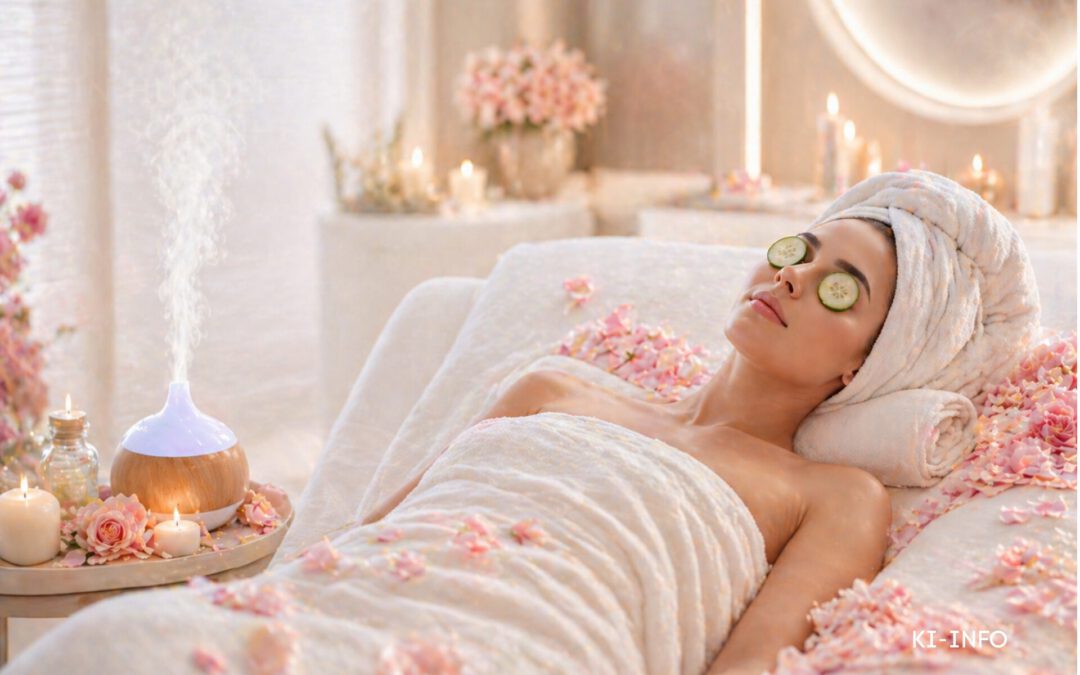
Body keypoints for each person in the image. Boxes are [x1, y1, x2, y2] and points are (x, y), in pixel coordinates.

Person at [363, 215, 900, 674]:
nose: (793, 275)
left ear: (865, 362)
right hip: (359, 599)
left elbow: (747, 667)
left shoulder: (837, 498)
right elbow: (376, 529)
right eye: (798, 252)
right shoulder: (547, 389)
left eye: (841, 288)